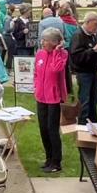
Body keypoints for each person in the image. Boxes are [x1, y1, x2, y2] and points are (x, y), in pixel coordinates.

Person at [33, 27, 68, 174]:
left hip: (54, 97)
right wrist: (36, 86)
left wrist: (56, 51)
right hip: (41, 96)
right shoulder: (40, 54)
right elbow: (36, 71)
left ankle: (56, 161)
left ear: (54, 42)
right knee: (43, 128)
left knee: (52, 130)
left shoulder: (62, 54)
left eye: (45, 40)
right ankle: (48, 157)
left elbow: (56, 69)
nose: (42, 42)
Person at [69, 12, 97, 124]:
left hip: (93, 71)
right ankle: (82, 125)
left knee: (93, 101)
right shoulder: (78, 35)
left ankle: (93, 124)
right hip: (84, 73)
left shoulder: (94, 35)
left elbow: (94, 55)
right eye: (96, 24)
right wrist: (93, 50)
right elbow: (76, 57)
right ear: (88, 22)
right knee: (85, 101)